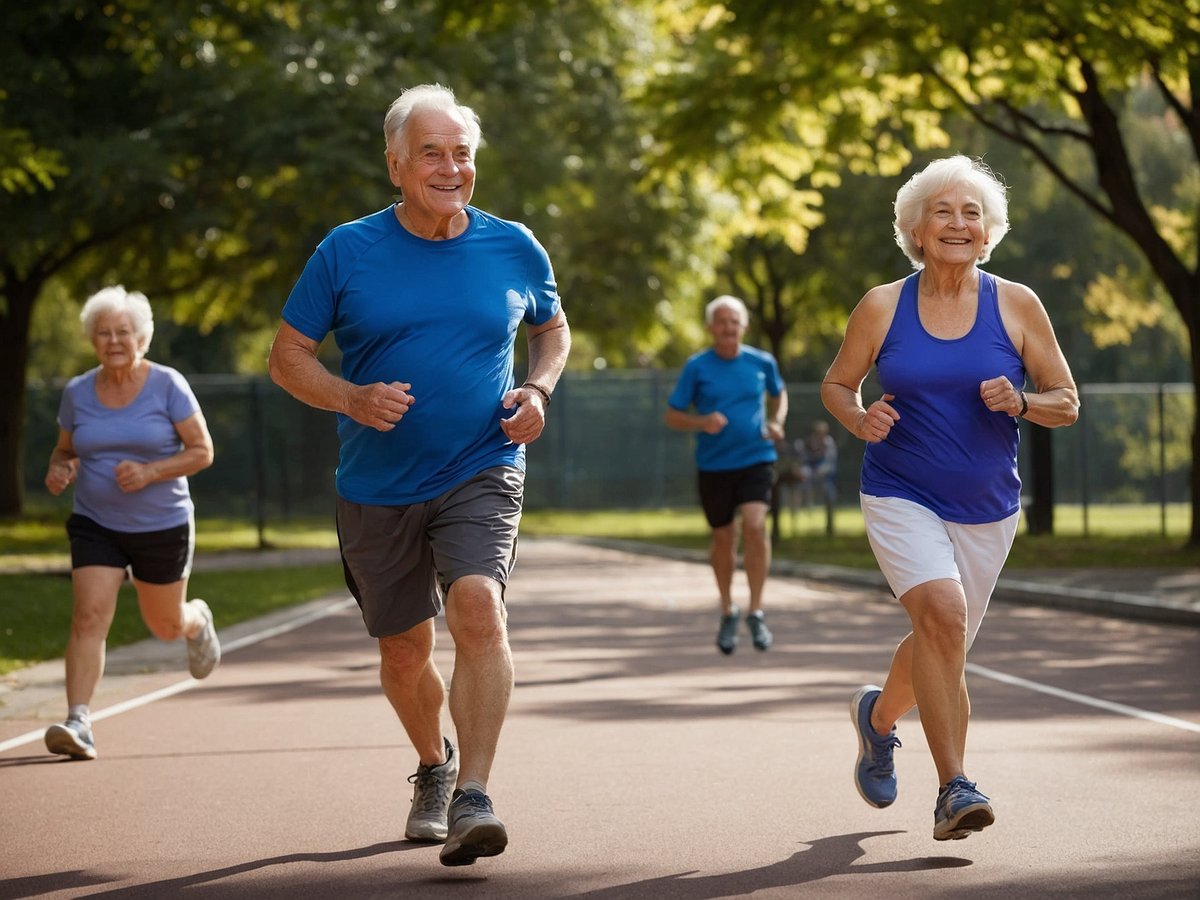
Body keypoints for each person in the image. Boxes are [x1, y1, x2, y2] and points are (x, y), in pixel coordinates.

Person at [268, 83, 570, 867]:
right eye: (431, 153)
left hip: (483, 462)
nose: (450, 167)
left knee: (478, 610)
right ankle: (433, 766)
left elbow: (552, 327)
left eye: (462, 153)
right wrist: (350, 397)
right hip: (377, 483)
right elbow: (287, 357)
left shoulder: (513, 245)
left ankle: (475, 792)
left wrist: (537, 389)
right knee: (404, 652)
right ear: (396, 164)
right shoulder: (347, 250)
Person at [821, 155, 1079, 840]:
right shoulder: (882, 305)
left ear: (989, 231)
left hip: (989, 504)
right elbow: (837, 385)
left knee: (943, 637)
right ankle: (954, 787)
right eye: (943, 211)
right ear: (916, 227)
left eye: (972, 213)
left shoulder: (1017, 304)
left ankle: (878, 720)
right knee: (941, 613)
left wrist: (1023, 400)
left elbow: (1068, 402)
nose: (958, 223)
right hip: (901, 490)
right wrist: (859, 417)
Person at [43, 285, 220, 761]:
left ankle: (194, 620)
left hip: (161, 523)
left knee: (163, 623)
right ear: (92, 339)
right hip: (95, 521)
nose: (113, 340)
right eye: (103, 332)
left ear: (141, 338)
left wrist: (150, 471)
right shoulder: (78, 392)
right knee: (88, 616)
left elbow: (202, 451)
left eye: (123, 331)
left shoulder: (167, 385)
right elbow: (66, 448)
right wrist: (62, 466)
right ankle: (78, 719)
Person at [665, 295, 787, 655]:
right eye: (721, 321)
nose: (728, 327)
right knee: (723, 538)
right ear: (710, 328)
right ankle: (727, 608)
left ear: (744, 326)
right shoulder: (697, 367)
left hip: (756, 458)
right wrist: (701, 421)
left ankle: (757, 610)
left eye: (734, 321)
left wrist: (777, 422)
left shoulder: (762, 362)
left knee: (755, 525)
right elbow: (672, 415)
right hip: (714, 465)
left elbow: (780, 395)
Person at [799, 420, 838, 508]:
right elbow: (806, 457)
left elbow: (830, 460)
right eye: (818, 432)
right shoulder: (811, 441)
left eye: (822, 432)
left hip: (825, 470)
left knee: (825, 472)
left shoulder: (829, 442)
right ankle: (808, 503)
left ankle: (830, 504)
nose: (820, 434)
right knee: (804, 473)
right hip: (812, 468)